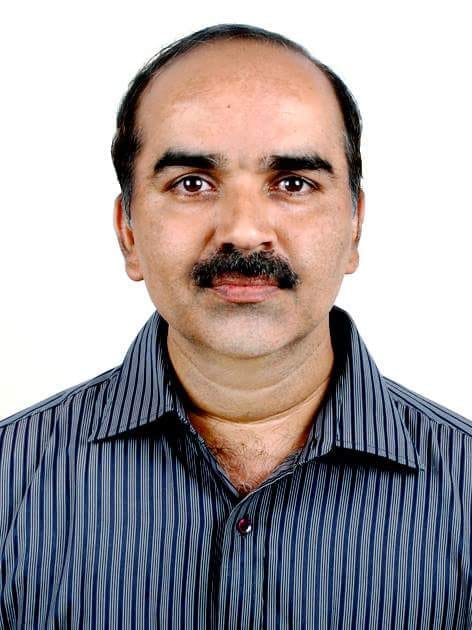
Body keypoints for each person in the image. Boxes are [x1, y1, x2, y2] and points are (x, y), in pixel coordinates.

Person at [1, 23, 471, 630]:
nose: (244, 231)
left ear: (355, 225)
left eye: (293, 184)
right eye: (192, 183)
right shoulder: (11, 484)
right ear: (128, 232)